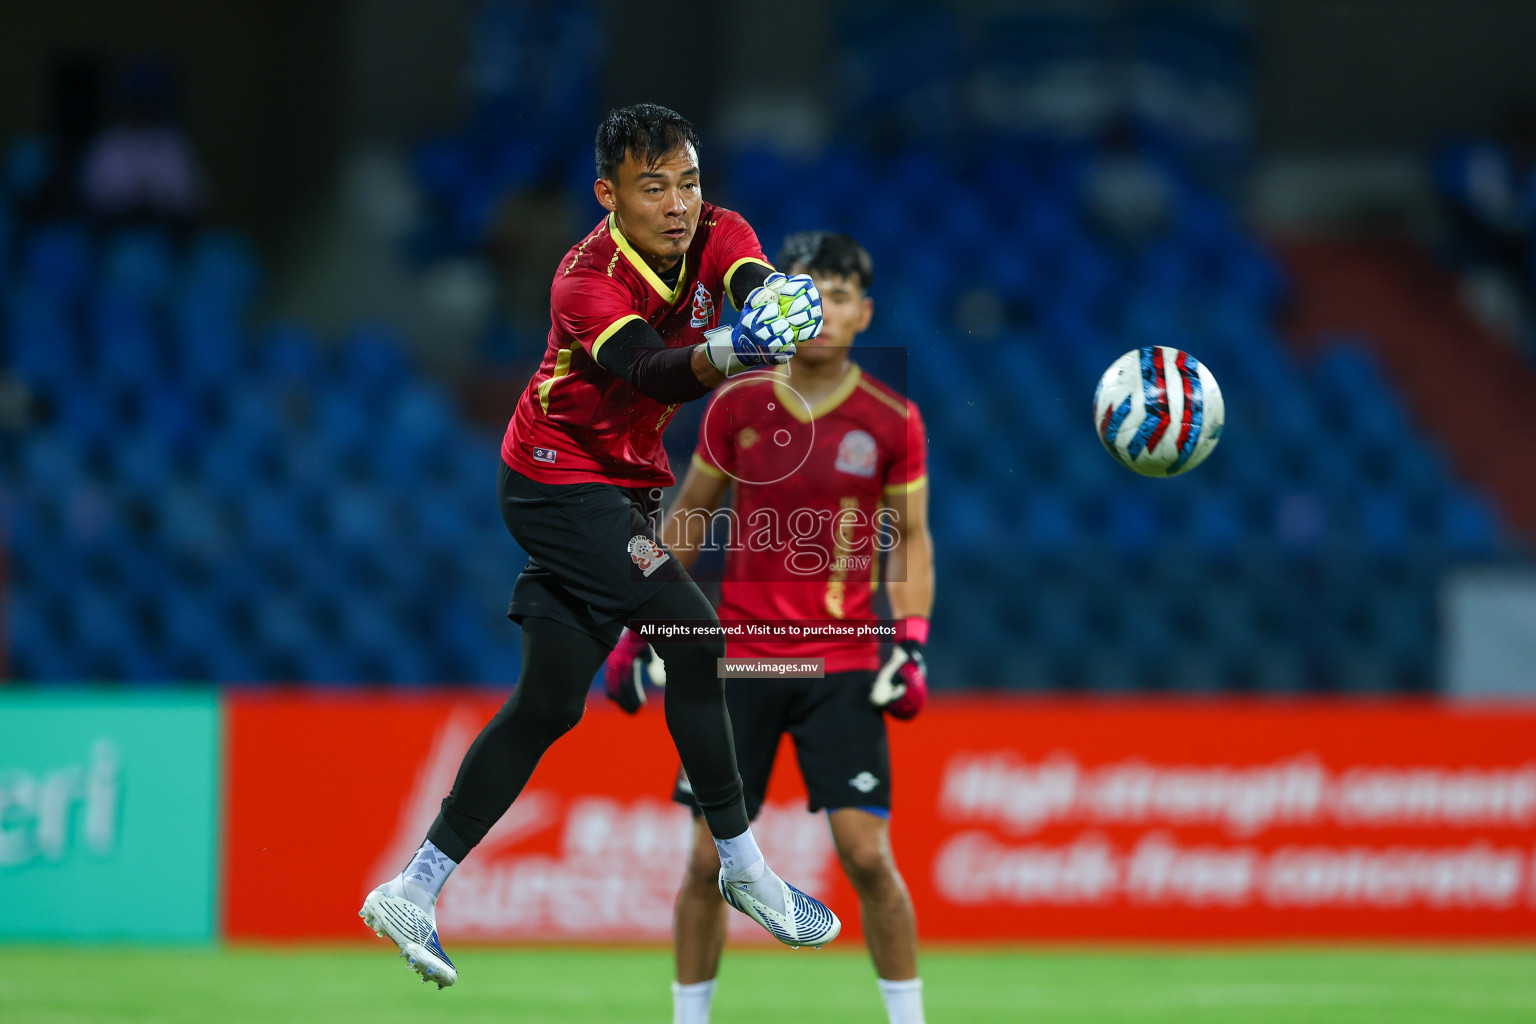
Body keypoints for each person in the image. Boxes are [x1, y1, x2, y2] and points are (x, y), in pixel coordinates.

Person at [359, 103, 840, 989]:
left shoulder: (723, 230)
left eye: (688, 181)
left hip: (619, 487)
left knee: (548, 705)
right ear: (608, 193)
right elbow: (657, 369)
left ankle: (412, 886)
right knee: (694, 641)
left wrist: (775, 308)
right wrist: (742, 351)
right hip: (553, 479)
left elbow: (754, 285)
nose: (678, 203)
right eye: (653, 185)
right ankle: (746, 868)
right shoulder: (584, 281)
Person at [606, 232, 934, 1024]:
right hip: (738, 663)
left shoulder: (892, 419)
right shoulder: (739, 403)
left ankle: (908, 1019)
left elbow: (912, 537)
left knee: (865, 855)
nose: (827, 309)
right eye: (811, 293)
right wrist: (634, 631)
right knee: (702, 862)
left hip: (845, 661)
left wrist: (912, 639)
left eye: (844, 294)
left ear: (866, 313)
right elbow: (686, 521)